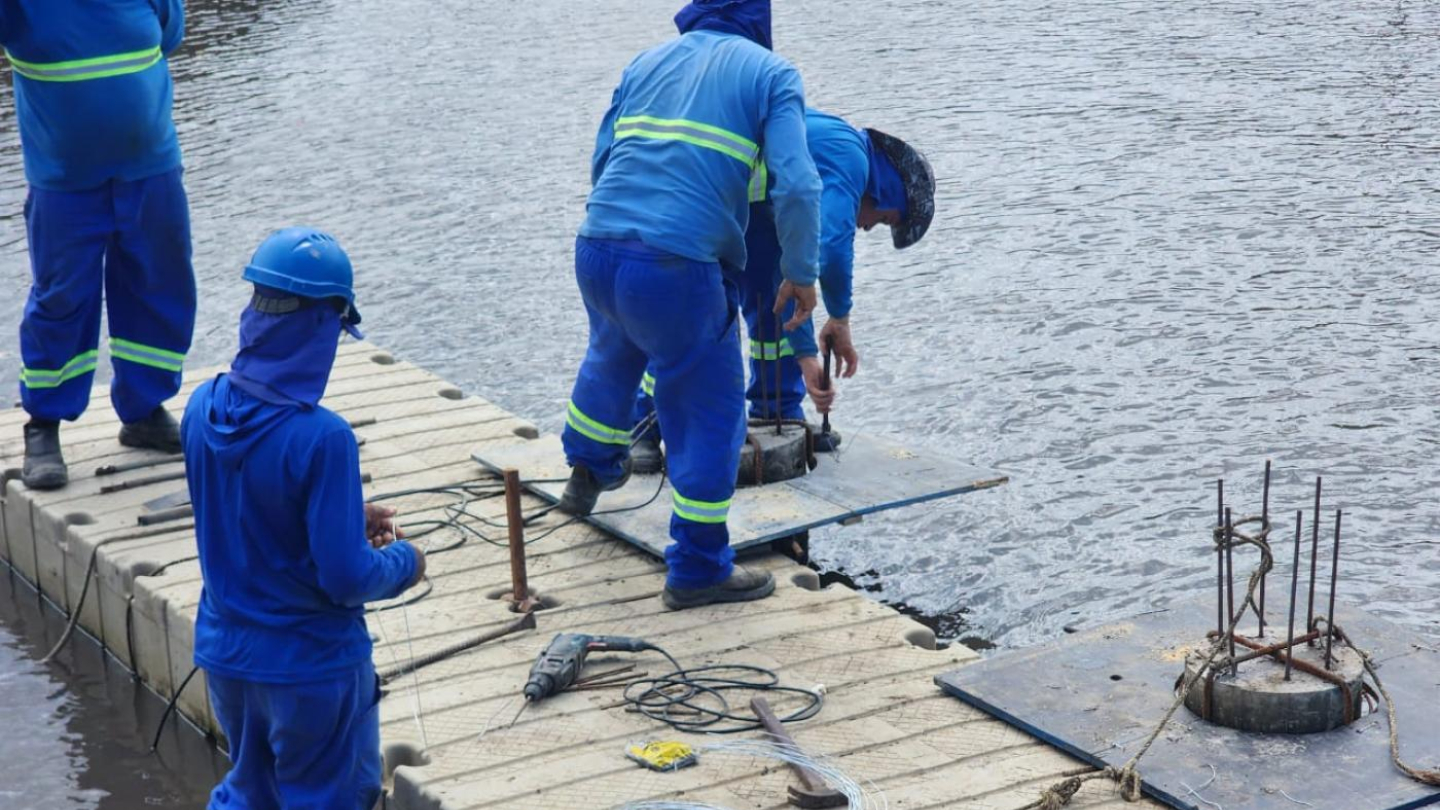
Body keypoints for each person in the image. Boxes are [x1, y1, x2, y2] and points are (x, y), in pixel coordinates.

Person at [559, 0, 823, 610]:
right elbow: (799, 183)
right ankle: (700, 566)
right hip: (678, 263)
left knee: (612, 353)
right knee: (710, 408)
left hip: (598, 244)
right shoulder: (772, 73)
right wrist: (801, 274)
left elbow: (603, 160)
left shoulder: (645, 62)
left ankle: (592, 464)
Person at [183, 228, 425, 810]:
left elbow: (243, 512)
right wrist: (406, 562)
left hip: (227, 659)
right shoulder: (324, 438)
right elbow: (345, 579)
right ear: (321, 325)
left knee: (248, 794)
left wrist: (341, 516)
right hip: (310, 670)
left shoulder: (200, 407)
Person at [631, 108, 935, 471]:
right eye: (884, 220)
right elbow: (833, 247)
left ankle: (776, 414)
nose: (869, 228)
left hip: (750, 210)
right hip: (702, 203)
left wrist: (808, 356)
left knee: (774, 306)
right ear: (886, 194)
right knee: (693, 323)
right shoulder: (850, 157)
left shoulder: (838, 156)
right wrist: (840, 317)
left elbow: (796, 280)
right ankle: (642, 429)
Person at [2, 0, 197, 490]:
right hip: (63, 180)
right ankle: (43, 425)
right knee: (62, 297)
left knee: (159, 285)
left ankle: (144, 410)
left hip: (152, 167)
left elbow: (169, 33)